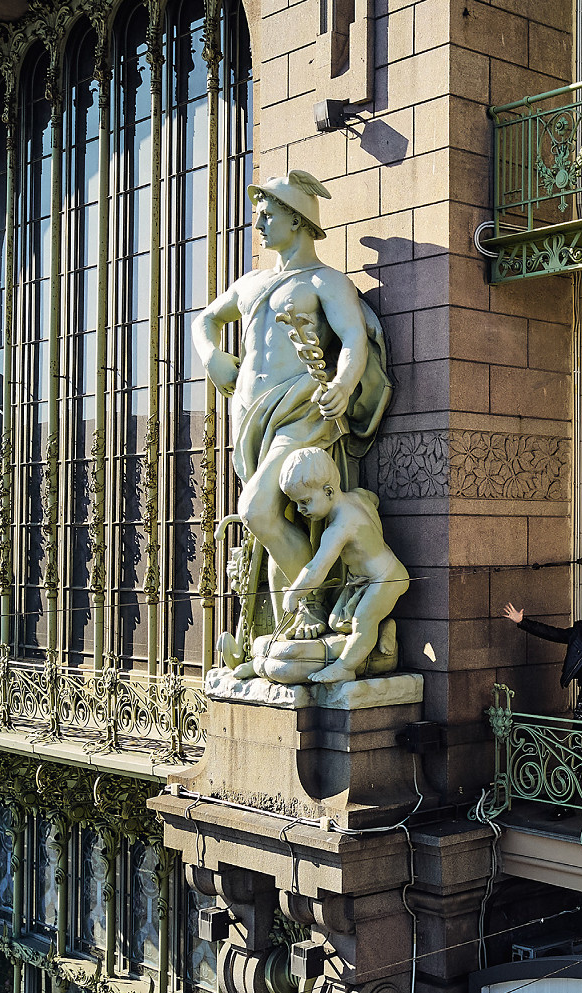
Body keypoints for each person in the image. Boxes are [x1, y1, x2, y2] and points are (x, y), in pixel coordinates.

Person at [194, 171, 391, 647]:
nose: (258, 225)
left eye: (267, 215)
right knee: (275, 512)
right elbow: (205, 319)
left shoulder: (325, 281)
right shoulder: (251, 283)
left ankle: (313, 602)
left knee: (256, 510)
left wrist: (343, 384)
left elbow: (352, 339)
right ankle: (284, 622)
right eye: (257, 216)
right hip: (250, 419)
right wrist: (212, 356)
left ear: (298, 220)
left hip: (300, 414)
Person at [276, 447, 407, 684]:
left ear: (328, 491)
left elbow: (316, 569)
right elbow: (373, 499)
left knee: (362, 621)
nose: (300, 510)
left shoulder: (338, 529)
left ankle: (345, 667)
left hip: (386, 578)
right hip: (362, 581)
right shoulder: (358, 497)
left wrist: (295, 593)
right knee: (336, 622)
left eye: (305, 502)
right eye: (296, 503)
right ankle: (384, 625)